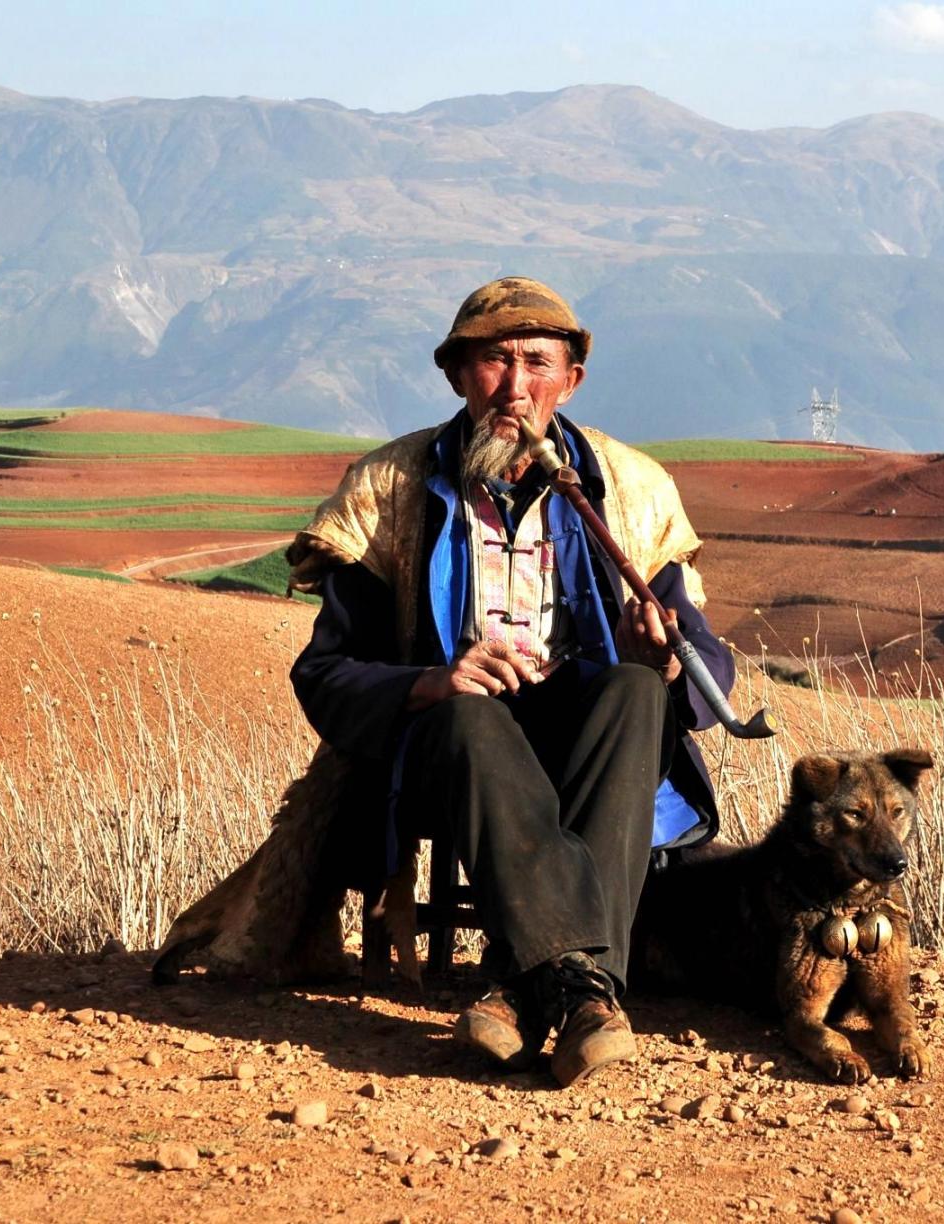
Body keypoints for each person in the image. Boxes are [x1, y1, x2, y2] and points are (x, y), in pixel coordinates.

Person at [285, 277, 733, 1087]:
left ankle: (533, 989)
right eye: (493, 361)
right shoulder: (387, 490)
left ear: (572, 380)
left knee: (634, 691)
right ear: (456, 374)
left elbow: (705, 661)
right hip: (448, 754)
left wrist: (663, 657)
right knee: (468, 716)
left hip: (591, 753)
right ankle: (585, 990)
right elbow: (324, 672)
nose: (515, 388)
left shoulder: (630, 490)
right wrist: (429, 679)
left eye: (536, 363)